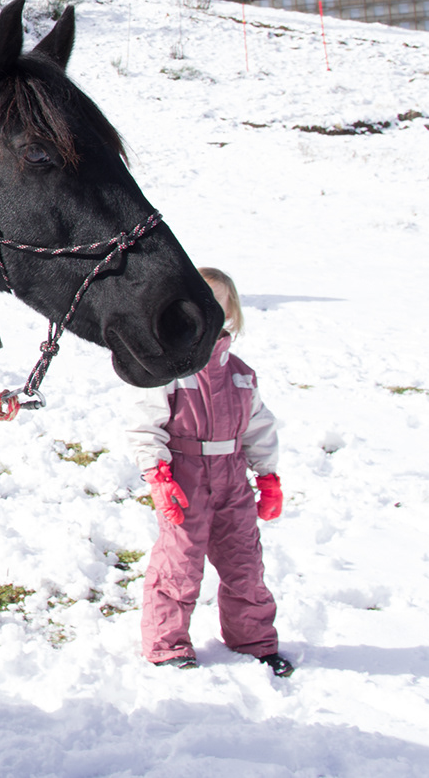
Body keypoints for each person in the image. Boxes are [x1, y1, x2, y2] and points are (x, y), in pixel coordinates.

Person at [127, 266, 293, 676]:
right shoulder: (168, 366)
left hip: (232, 478)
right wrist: (158, 475)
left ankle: (253, 639)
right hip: (184, 477)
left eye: (219, 301)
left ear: (230, 311)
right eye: (200, 298)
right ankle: (167, 645)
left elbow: (258, 426)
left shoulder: (240, 373)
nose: (209, 309)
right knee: (179, 562)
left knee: (244, 562)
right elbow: (145, 423)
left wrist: (267, 477)